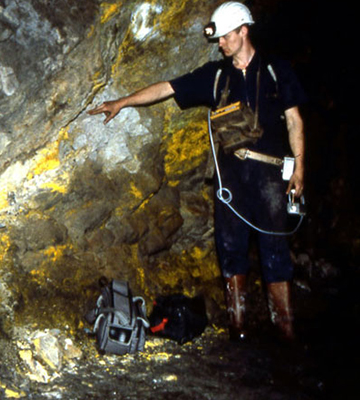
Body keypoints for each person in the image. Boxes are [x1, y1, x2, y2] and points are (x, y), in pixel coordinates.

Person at [88, 1, 306, 342]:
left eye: (224, 37)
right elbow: (167, 88)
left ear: (243, 31)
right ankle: (238, 329)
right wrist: (122, 102)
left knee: (274, 250)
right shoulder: (216, 76)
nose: (219, 43)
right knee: (231, 250)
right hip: (230, 179)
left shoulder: (278, 70)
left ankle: (286, 331)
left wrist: (300, 169)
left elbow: (294, 121)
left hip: (269, 177)